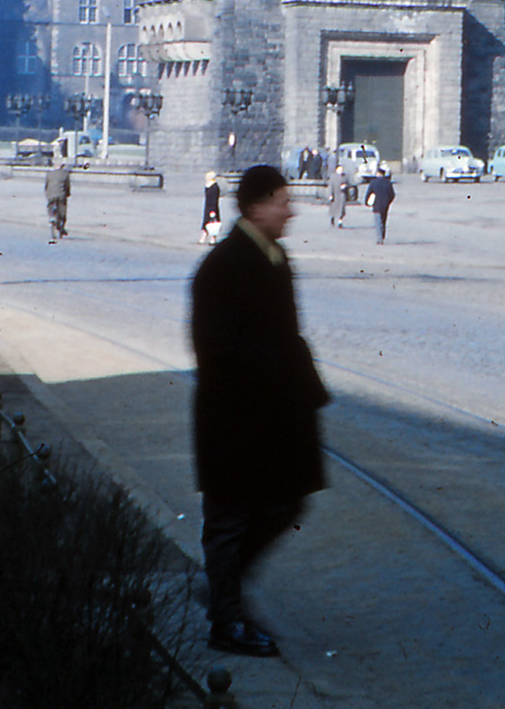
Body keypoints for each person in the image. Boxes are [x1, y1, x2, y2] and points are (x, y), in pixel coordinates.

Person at [188, 165, 329, 658]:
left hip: (276, 416)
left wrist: (305, 388)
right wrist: (279, 375)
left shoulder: (276, 259)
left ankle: (223, 590)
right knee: (229, 520)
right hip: (235, 419)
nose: (290, 210)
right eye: (282, 200)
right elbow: (217, 347)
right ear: (254, 207)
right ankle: (227, 621)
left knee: (285, 504)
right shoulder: (222, 266)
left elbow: (287, 335)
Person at [364, 161, 396, 243]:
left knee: (378, 222)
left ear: (378, 174)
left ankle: (379, 238)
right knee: (384, 220)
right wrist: (388, 202)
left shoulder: (373, 183)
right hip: (385, 205)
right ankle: (383, 235)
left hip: (376, 205)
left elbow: (368, 193)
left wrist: (367, 202)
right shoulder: (388, 183)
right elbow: (392, 194)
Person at [45, 157, 72, 242]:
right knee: (62, 211)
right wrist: (67, 194)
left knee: (50, 206)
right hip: (61, 195)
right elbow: (67, 186)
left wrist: (48, 194)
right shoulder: (65, 174)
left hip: (51, 195)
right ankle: (61, 226)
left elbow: (46, 186)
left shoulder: (49, 174)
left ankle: (51, 217)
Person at [201, 169, 223, 243]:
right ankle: (203, 237)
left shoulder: (214, 187)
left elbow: (214, 200)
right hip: (207, 207)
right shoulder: (208, 186)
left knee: (213, 224)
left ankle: (212, 239)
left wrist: (213, 211)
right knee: (206, 223)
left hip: (212, 208)